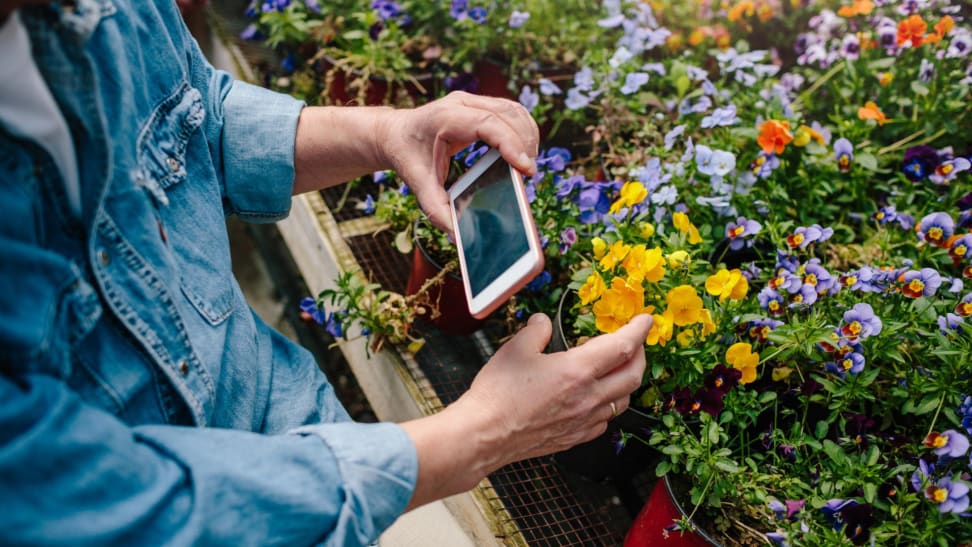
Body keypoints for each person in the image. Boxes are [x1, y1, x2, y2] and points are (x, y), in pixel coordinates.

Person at [0, 1, 653, 545]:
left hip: (311, 431)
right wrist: (484, 431)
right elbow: (142, 511)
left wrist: (390, 133)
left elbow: (194, 113)